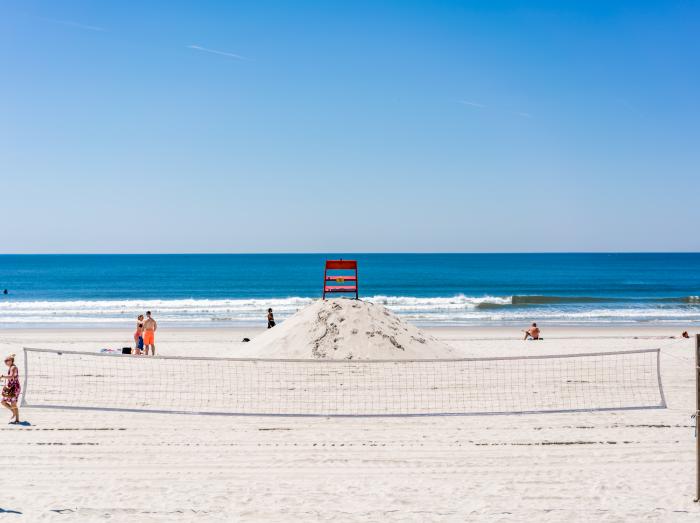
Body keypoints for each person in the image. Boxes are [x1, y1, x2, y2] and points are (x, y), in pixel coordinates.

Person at [1, 354, 21, 424]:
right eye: (5, 361)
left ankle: (17, 419)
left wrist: (3, 376)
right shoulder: (11, 367)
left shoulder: (13, 367)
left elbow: (11, 376)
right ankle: (13, 412)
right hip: (10, 387)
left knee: (13, 404)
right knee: (3, 402)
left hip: (15, 387)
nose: (6, 362)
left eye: (7, 360)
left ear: (11, 361)